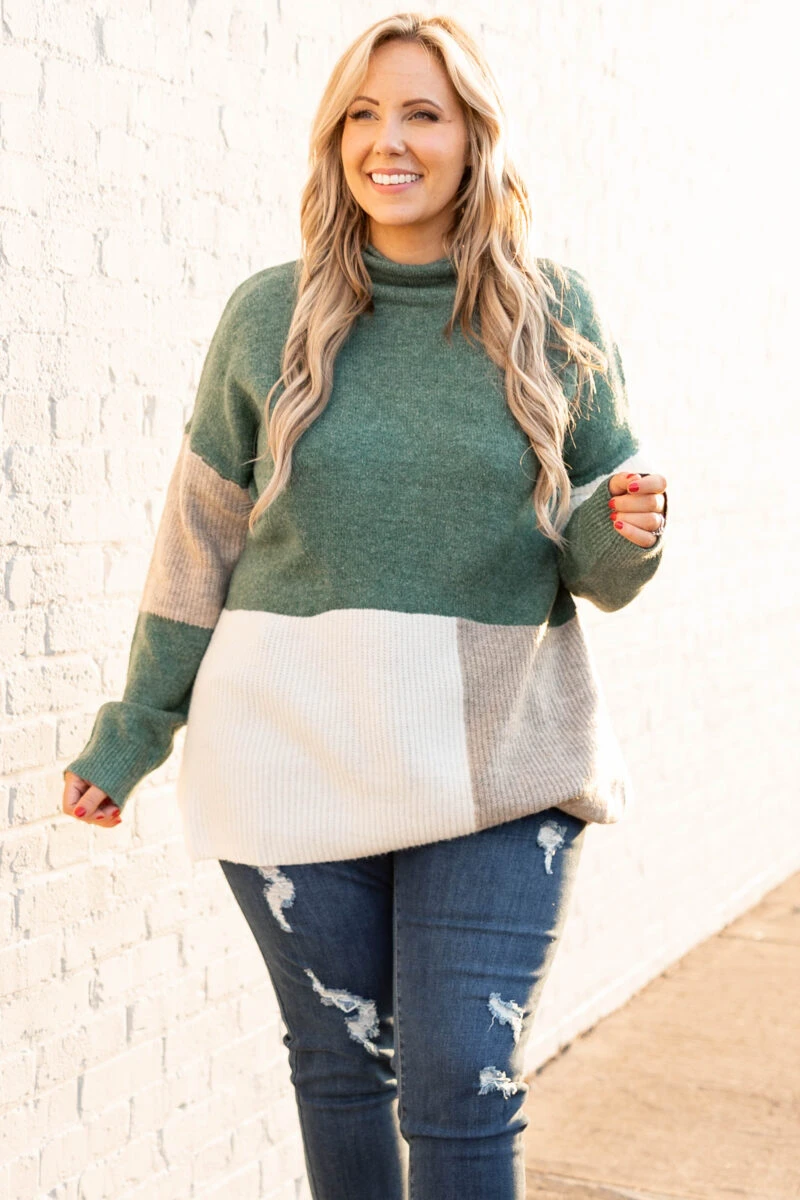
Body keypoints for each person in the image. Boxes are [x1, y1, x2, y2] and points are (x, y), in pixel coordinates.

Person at [61, 12, 668, 1198]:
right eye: (362, 114)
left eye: (421, 113)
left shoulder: (554, 317)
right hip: (288, 748)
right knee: (339, 1066)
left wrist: (625, 527)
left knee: (461, 1085)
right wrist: (134, 729)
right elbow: (199, 541)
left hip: (499, 757)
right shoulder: (267, 317)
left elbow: (602, 567)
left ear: (474, 138)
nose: (386, 140)